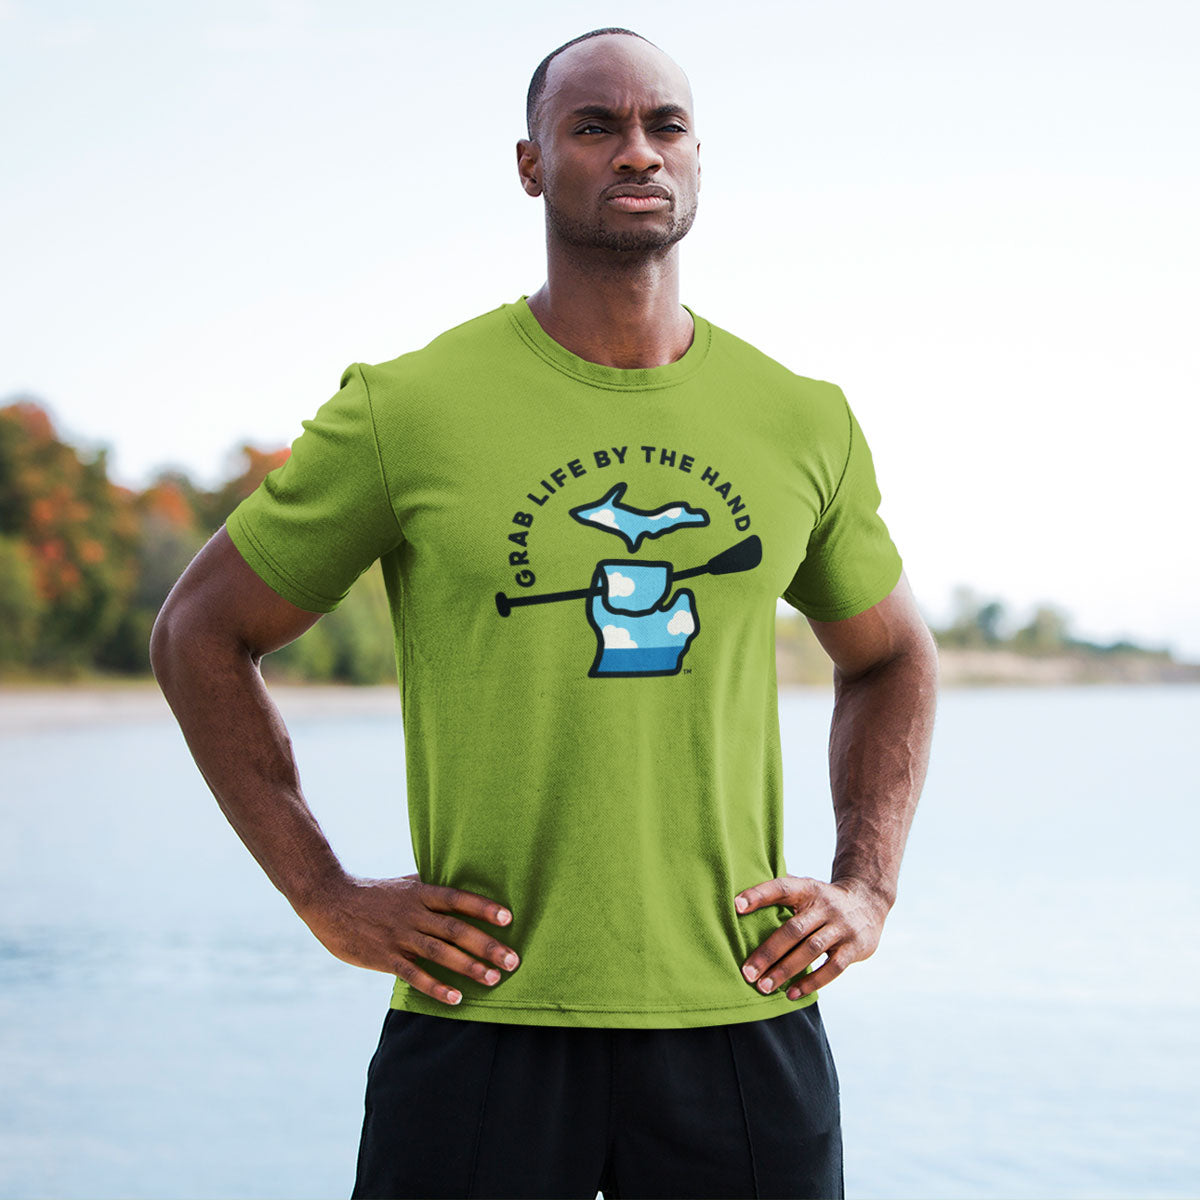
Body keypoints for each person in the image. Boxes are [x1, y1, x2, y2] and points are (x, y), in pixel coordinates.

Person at [151, 25, 938, 1200]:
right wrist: (323, 893)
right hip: (482, 1016)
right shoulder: (408, 410)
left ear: (699, 160)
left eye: (664, 125)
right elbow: (199, 633)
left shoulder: (800, 419)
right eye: (595, 125)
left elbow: (892, 658)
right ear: (530, 164)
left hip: (740, 1008)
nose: (638, 151)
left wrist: (866, 885)